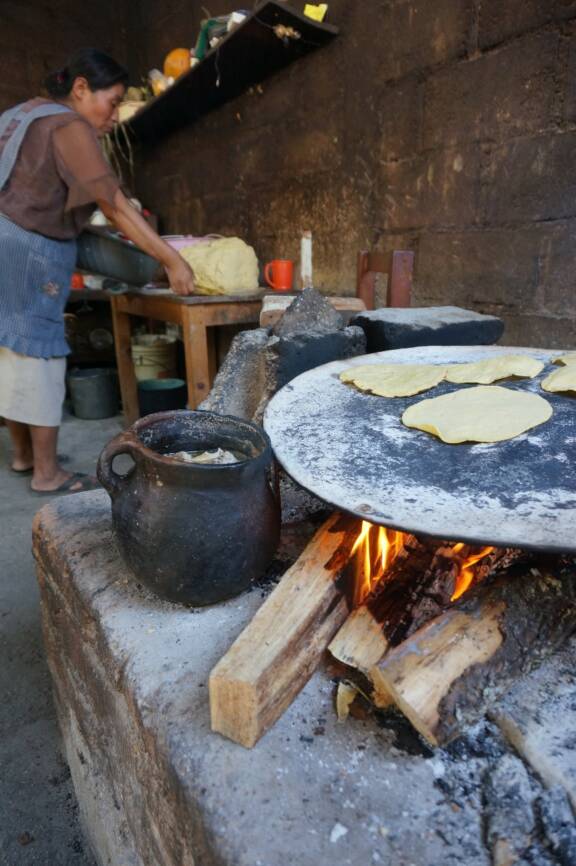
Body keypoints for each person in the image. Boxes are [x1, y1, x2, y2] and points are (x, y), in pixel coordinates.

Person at [0, 48, 196, 494]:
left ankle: (23, 455)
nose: (113, 116)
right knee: (42, 353)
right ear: (81, 88)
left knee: (10, 348)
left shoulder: (22, 114)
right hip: (27, 250)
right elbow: (114, 205)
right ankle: (47, 474)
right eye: (112, 102)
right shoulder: (69, 125)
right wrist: (172, 259)